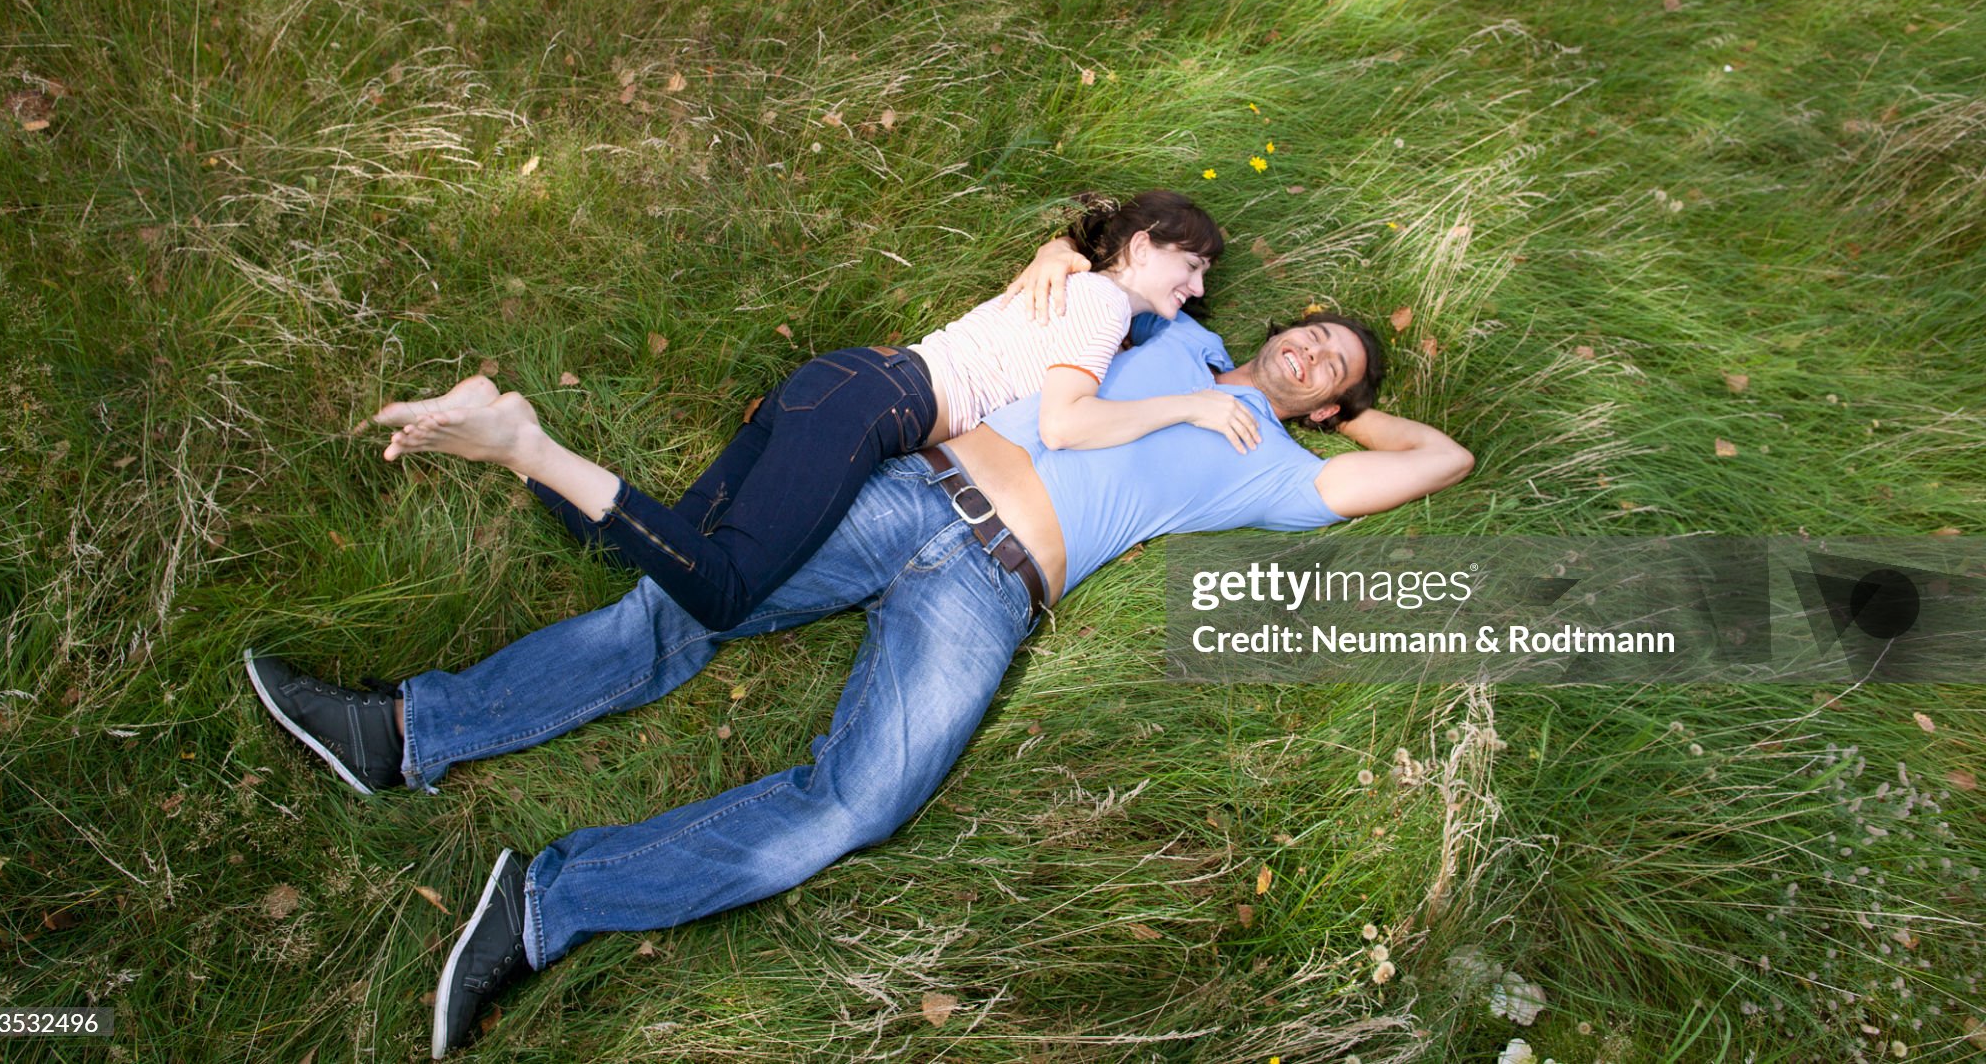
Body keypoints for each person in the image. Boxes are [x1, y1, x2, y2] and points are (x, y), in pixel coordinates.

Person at [246, 296, 1472, 1058]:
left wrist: (1322, 410)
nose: (1311, 350)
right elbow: (1080, 267)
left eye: (1335, 363)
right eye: (1309, 331)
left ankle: (547, 905)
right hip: (912, 495)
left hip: (992, 589)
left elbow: (1441, 456)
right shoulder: (1173, 332)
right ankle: (400, 731)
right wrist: (1196, 356)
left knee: (863, 803)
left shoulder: (1282, 477)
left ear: (1336, 405)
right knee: (675, 614)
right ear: (1266, 325)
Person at [370, 192, 1258, 633]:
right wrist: (1195, 406)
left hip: (844, 381)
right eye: (1193, 264)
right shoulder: (1100, 304)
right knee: (720, 592)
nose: (1199, 285)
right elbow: (1066, 423)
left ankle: (507, 428)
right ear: (1142, 246)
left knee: (660, 539)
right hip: (879, 406)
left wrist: (1064, 247)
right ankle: (527, 437)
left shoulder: (1076, 284)